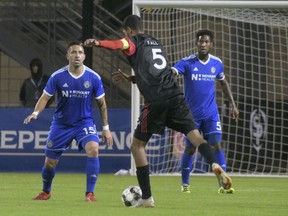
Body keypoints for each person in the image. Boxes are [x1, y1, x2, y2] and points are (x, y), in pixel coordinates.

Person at [84, 15, 232, 208]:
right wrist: (132, 78)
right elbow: (156, 71)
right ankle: (213, 163)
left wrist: (97, 42)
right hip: (176, 97)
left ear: (129, 30)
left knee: (137, 146)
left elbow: (117, 44)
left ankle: (147, 197)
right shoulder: (156, 43)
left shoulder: (132, 41)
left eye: (125, 33)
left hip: (156, 100)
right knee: (195, 136)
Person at [23, 42, 113, 202]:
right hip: (61, 124)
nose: (77, 55)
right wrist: (35, 113)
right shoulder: (58, 76)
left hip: (84, 123)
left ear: (84, 56)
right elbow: (45, 97)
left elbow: (102, 104)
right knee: (50, 162)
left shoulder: (93, 77)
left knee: (93, 148)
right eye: (73, 52)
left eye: (80, 52)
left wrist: (105, 128)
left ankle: (89, 194)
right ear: (67, 56)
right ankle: (46, 191)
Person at [171, 29, 239, 194]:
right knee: (190, 149)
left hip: (211, 114)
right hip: (191, 115)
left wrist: (233, 103)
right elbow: (173, 72)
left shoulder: (216, 63)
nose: (203, 44)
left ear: (211, 44)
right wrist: (168, 72)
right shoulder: (187, 62)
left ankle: (223, 185)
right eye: (200, 41)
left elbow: (223, 83)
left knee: (216, 144)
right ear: (197, 43)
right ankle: (185, 184)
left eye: (206, 41)